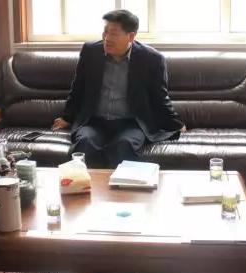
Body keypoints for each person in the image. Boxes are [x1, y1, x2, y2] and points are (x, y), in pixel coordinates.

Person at [52, 9, 186, 168]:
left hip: (131, 123)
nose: (107, 38)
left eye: (114, 34)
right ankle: (90, 183)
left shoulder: (152, 59)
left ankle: (123, 184)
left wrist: (175, 124)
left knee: (123, 146)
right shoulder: (90, 52)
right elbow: (78, 88)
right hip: (94, 121)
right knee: (85, 143)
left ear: (131, 36)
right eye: (105, 32)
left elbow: (160, 97)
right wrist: (67, 117)